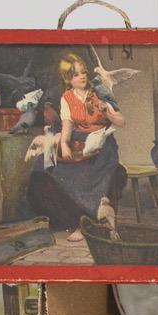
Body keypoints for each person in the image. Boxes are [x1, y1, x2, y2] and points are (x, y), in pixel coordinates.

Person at [23, 53, 126, 241]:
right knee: (45, 165)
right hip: (77, 140)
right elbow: (67, 126)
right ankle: (72, 221)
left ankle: (86, 224)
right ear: (67, 78)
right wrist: (64, 145)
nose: (82, 77)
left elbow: (121, 121)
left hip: (102, 143)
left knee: (83, 174)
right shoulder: (67, 97)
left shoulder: (99, 91)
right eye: (76, 74)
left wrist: (108, 112)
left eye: (83, 72)